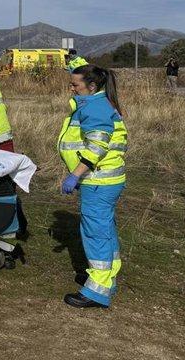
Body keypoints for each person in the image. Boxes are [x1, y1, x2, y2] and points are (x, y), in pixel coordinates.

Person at [58, 64, 127, 309]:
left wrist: (75, 175)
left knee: (95, 233)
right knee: (105, 229)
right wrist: (76, 61)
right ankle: (107, 279)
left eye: (75, 85)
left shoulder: (95, 107)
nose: (71, 88)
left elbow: (96, 147)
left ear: (92, 86)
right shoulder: (100, 101)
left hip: (98, 180)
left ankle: (97, 290)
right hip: (107, 180)